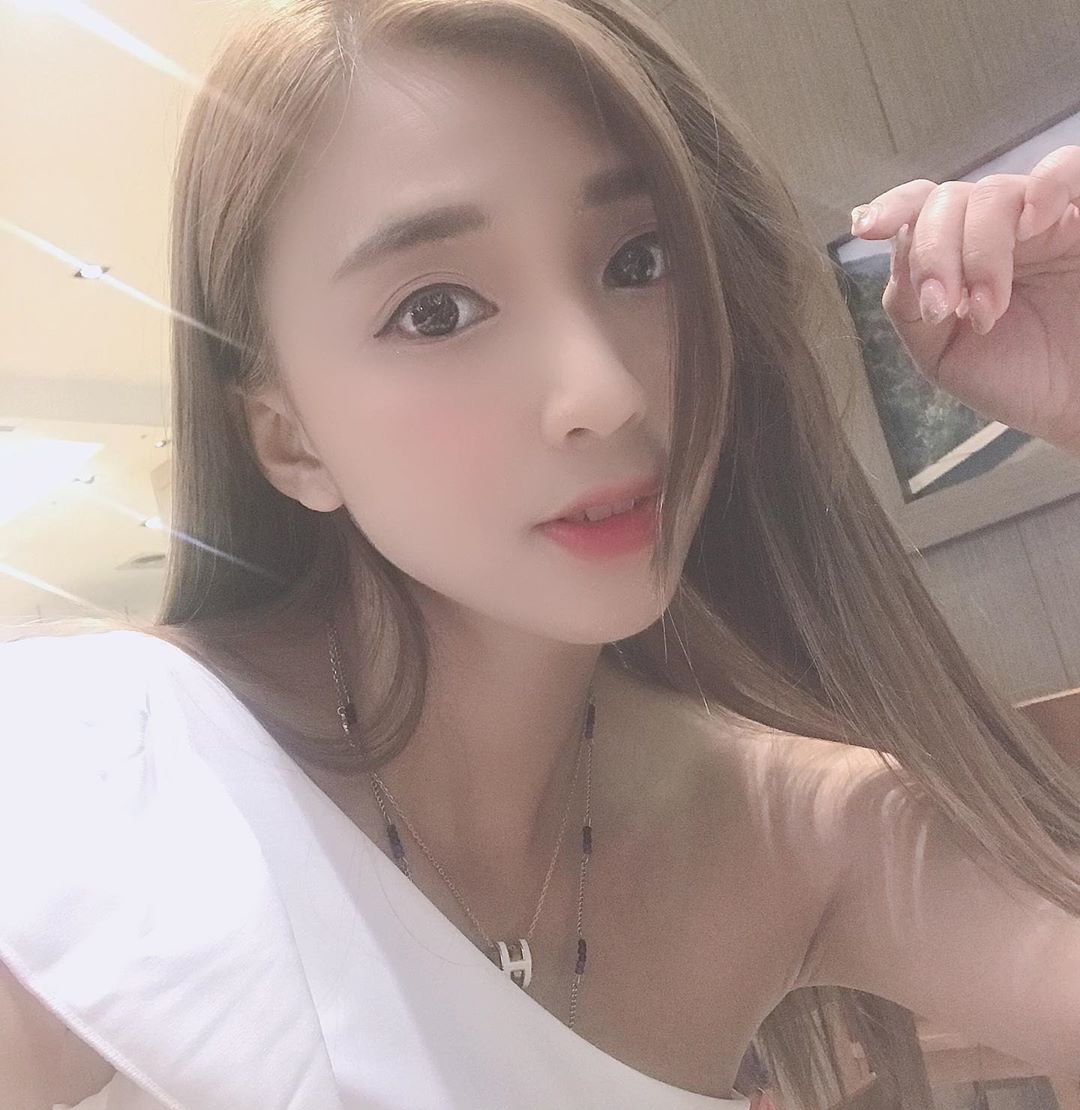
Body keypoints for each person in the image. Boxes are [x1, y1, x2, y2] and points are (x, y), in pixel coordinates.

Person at [1, 1, 1078, 1107]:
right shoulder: (102, 780)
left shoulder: (801, 828)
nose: (602, 391)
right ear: (289, 440)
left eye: (640, 259)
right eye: (436, 311)